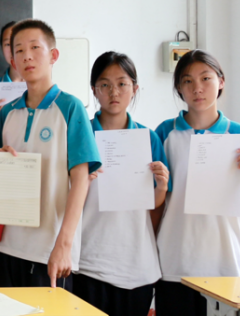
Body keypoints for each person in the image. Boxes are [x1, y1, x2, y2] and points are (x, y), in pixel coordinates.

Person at [0, 19, 100, 289]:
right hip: (4, 245)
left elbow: (81, 180)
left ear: (53, 55)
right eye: (19, 50)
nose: (27, 56)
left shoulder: (71, 108)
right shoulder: (6, 113)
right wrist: (1, 157)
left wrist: (64, 244)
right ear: (13, 61)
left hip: (48, 251)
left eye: (35, 47)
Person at [73, 51, 169, 316]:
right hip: (88, 262)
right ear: (94, 90)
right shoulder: (81, 134)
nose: (113, 92)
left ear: (135, 89)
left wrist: (161, 187)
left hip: (136, 266)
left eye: (122, 83)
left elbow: (153, 205)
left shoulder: (148, 138)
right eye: (104, 84)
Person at [154, 50, 240, 316]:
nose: (197, 88)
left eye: (206, 78)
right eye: (188, 81)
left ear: (221, 81)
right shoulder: (164, 133)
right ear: (178, 88)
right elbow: (156, 202)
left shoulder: (239, 135)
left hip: (227, 267)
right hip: (175, 265)